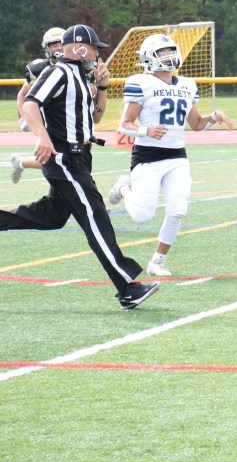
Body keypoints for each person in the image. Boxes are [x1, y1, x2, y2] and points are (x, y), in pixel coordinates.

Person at [0, 24, 159, 309]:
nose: (98, 55)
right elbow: (30, 105)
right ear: (81, 48)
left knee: (51, 216)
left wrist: (102, 86)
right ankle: (127, 287)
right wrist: (43, 137)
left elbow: (96, 119)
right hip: (65, 158)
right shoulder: (59, 71)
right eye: (95, 48)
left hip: (80, 157)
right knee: (95, 216)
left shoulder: (78, 76)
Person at [107, 33, 233, 277]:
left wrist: (214, 117)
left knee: (177, 209)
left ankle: (158, 261)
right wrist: (146, 130)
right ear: (148, 57)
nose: (168, 56)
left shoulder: (187, 84)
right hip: (147, 156)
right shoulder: (141, 82)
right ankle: (124, 186)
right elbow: (125, 124)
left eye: (170, 51)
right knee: (142, 216)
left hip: (177, 157)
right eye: (161, 52)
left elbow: (196, 124)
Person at [10, 27, 64, 184]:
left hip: (68, 119)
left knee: (61, 161)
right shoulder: (39, 69)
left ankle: (20, 163)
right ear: (47, 48)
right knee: (60, 161)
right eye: (54, 45)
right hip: (49, 122)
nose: (59, 47)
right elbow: (22, 95)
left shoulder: (78, 65)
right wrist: (23, 119)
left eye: (61, 43)